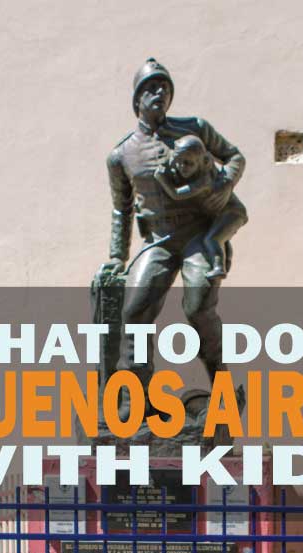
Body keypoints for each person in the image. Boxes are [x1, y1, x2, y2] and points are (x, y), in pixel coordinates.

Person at [102, 58, 247, 416]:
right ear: (136, 99)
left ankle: (223, 388)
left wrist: (226, 182)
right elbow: (122, 210)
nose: (159, 93)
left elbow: (233, 156)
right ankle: (138, 400)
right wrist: (117, 258)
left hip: (198, 234)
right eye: (150, 88)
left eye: (164, 87)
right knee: (135, 312)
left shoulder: (193, 128)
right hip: (158, 240)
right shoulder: (121, 155)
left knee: (198, 308)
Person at [154, 134, 248, 280]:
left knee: (212, 239)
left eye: (189, 163)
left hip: (232, 213)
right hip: (218, 215)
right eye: (179, 162)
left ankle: (219, 268)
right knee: (215, 236)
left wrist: (162, 179)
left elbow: (177, 194)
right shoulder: (184, 167)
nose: (182, 167)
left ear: (201, 161)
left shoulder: (204, 180)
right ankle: (224, 253)